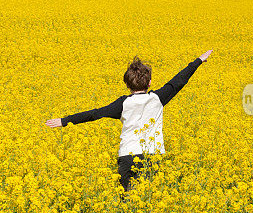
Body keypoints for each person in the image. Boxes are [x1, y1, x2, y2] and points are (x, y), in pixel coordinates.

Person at [45, 50, 213, 192]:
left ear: (127, 84)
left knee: (127, 200)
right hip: (152, 155)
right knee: (149, 199)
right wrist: (198, 60)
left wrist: (65, 120)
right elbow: (179, 80)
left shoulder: (123, 103)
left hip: (128, 156)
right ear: (149, 82)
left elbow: (94, 114)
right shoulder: (158, 98)